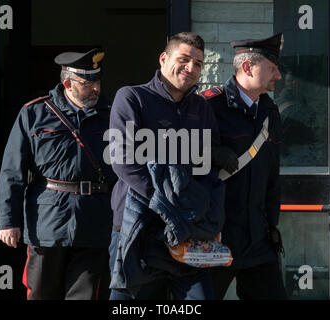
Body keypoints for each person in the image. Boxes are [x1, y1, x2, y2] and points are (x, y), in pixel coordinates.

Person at [108, 32, 229, 300]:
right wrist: (167, 206)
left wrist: (202, 214)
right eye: (184, 59)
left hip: (189, 231)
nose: (191, 68)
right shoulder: (131, 98)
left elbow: (207, 168)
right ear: (163, 58)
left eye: (198, 63)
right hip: (137, 227)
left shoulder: (202, 108)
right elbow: (124, 162)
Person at [0, 48, 117, 300]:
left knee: (85, 296)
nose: (95, 88)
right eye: (87, 83)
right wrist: (8, 220)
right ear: (67, 84)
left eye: (97, 80)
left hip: (94, 221)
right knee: (41, 293)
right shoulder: (34, 114)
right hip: (46, 221)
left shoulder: (112, 115)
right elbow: (12, 171)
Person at [199, 33, 288, 300]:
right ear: (248, 67)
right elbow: (183, 165)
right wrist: (212, 154)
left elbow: (273, 176)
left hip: (258, 240)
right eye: (272, 68)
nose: (279, 75)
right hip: (215, 238)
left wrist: (271, 226)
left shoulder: (270, 112)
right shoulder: (208, 107)